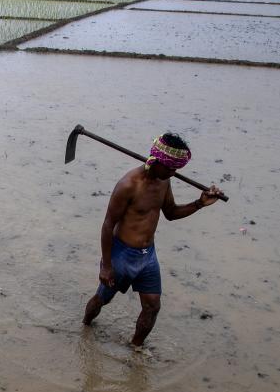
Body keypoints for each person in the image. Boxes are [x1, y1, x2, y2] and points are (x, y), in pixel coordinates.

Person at [82, 132, 223, 347]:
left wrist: (199, 203)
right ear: (156, 161)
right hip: (122, 254)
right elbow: (108, 225)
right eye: (170, 168)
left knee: (152, 306)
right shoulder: (128, 185)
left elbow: (171, 213)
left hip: (148, 256)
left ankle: (136, 348)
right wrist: (106, 266)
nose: (174, 173)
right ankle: (84, 328)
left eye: (176, 169)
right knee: (102, 299)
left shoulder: (163, 181)